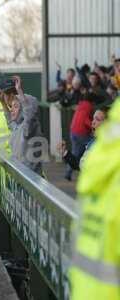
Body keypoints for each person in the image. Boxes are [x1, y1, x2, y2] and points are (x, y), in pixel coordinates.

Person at [69, 98, 120, 300]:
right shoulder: (97, 152)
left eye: (98, 120)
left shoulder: (99, 157)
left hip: (85, 290)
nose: (93, 124)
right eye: (94, 119)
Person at [0, 76, 46, 175]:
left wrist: (19, 91)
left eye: (16, 106)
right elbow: (9, 121)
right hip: (21, 177)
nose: (11, 109)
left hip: (30, 179)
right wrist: (3, 103)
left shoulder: (28, 128)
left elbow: (29, 114)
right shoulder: (18, 127)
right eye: (11, 106)